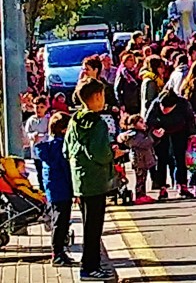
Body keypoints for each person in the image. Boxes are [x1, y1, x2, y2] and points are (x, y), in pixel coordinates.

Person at [65, 78, 118, 281]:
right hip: (96, 180)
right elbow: (101, 153)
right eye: (103, 95)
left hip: (80, 179)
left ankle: (89, 265)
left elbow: (66, 149)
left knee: (89, 225)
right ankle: (90, 267)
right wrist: (114, 153)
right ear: (96, 96)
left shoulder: (74, 120)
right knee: (94, 228)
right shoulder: (97, 124)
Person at [37, 112, 74, 266]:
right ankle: (57, 254)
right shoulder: (61, 147)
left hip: (53, 187)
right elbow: (66, 169)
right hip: (62, 188)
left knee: (59, 220)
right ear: (64, 130)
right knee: (61, 221)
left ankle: (59, 252)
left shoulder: (49, 146)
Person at [146, 93, 196, 199]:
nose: (164, 110)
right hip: (162, 133)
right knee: (162, 159)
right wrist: (154, 130)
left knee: (180, 158)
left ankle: (182, 185)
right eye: (162, 107)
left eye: (167, 108)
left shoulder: (183, 104)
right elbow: (149, 120)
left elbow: (190, 120)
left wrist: (192, 134)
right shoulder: (156, 103)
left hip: (180, 131)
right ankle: (162, 187)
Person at [117, 114, 158, 205]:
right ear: (134, 124)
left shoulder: (141, 133)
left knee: (143, 177)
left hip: (144, 159)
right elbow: (144, 143)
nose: (144, 124)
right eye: (141, 122)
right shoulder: (133, 135)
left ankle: (142, 194)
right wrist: (154, 136)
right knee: (140, 178)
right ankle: (139, 195)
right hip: (139, 160)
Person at [25, 96, 51, 187]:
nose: (39, 109)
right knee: (38, 170)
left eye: (41, 107)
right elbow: (27, 133)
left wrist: (41, 136)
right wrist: (32, 136)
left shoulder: (48, 120)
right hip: (35, 150)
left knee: (46, 170)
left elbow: (50, 134)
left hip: (46, 150)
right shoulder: (31, 120)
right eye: (37, 107)